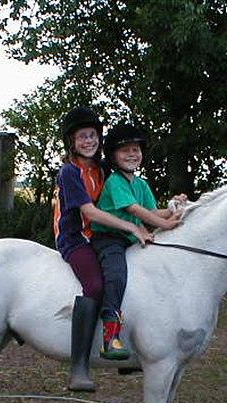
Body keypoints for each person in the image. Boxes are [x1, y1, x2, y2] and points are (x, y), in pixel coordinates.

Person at [53, 107, 151, 392]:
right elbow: (90, 213)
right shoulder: (69, 172)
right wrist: (131, 227)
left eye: (93, 135)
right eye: (82, 136)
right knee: (95, 285)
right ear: (72, 141)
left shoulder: (102, 170)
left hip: (100, 236)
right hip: (75, 238)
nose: (88, 141)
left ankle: (124, 350)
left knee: (122, 275)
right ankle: (79, 367)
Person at [91, 123, 184, 360]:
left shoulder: (140, 184)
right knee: (117, 274)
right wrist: (165, 225)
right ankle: (109, 335)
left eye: (136, 149)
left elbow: (152, 212)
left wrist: (177, 208)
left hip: (131, 237)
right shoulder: (115, 182)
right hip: (109, 238)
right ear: (113, 156)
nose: (132, 154)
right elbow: (135, 210)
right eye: (125, 151)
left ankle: (139, 337)